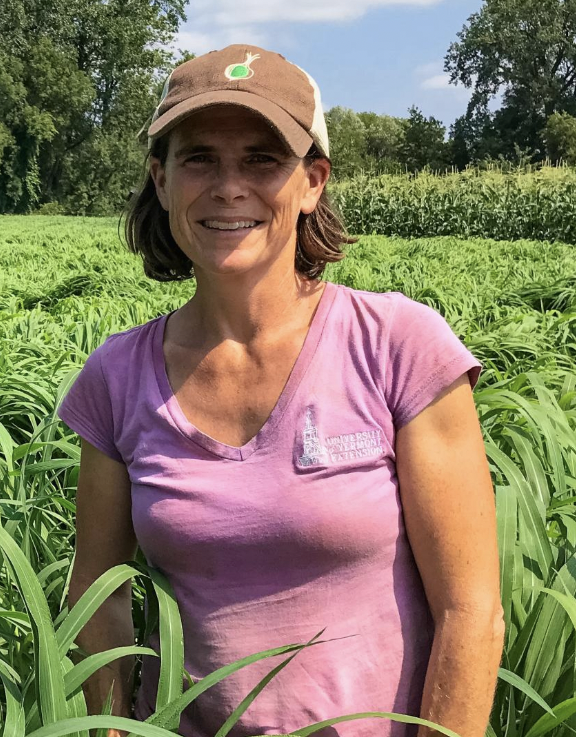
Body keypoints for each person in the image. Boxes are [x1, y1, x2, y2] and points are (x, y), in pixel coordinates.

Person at [57, 44, 505, 737]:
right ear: (162, 178)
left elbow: (471, 611)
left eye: (262, 159)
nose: (228, 185)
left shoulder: (399, 346)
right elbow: (98, 594)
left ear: (313, 182)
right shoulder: (116, 378)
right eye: (198, 157)